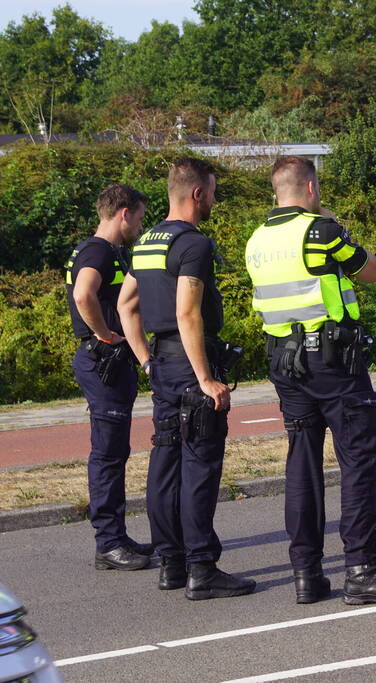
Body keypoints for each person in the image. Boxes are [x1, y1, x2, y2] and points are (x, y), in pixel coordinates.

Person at [244, 156, 376, 605]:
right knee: (359, 459)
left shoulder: (257, 240)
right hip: (333, 363)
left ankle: (306, 572)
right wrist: (330, 221)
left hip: (284, 361)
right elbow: (370, 271)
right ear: (310, 188)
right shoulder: (321, 231)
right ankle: (361, 569)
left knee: (301, 462)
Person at [118, 157, 255, 600]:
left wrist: (146, 362)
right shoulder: (194, 243)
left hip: (162, 366)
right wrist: (206, 380)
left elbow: (126, 306)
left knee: (166, 462)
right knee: (200, 464)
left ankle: (171, 563)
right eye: (212, 192)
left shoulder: (149, 241)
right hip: (190, 362)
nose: (214, 199)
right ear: (198, 194)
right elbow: (187, 310)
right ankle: (202, 569)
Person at [66, 183, 154, 570]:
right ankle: (108, 543)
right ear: (123, 213)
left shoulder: (105, 250)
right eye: (138, 216)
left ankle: (116, 536)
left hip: (108, 361)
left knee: (115, 452)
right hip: (101, 360)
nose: (139, 223)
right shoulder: (98, 251)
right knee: (107, 454)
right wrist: (103, 333)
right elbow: (84, 295)